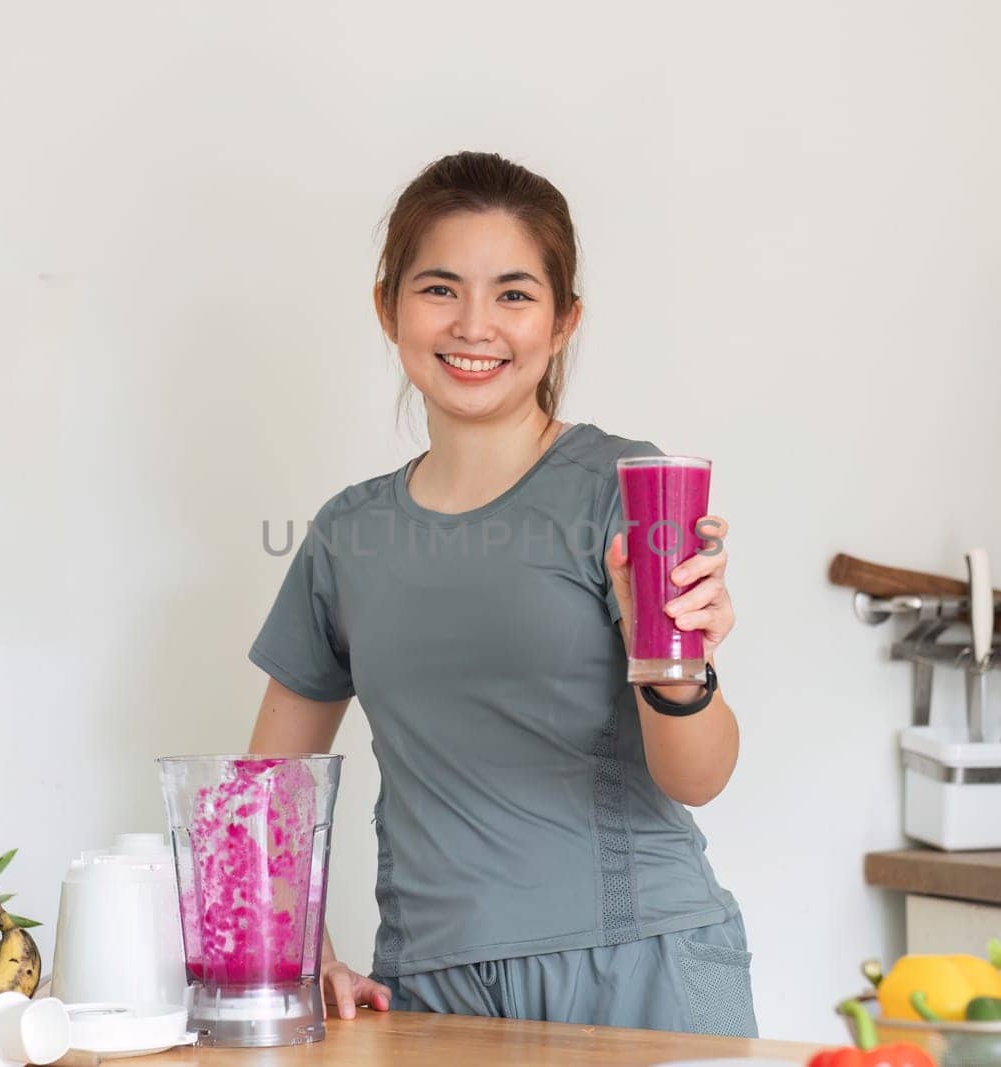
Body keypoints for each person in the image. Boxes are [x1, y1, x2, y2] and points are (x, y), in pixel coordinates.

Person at [246, 150, 753, 1037]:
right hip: (434, 989)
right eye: (440, 288)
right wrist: (304, 946)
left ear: (563, 323)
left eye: (514, 294)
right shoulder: (347, 534)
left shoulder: (627, 492)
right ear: (388, 308)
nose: (475, 324)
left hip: (642, 967)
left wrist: (677, 669)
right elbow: (270, 788)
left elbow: (698, 778)